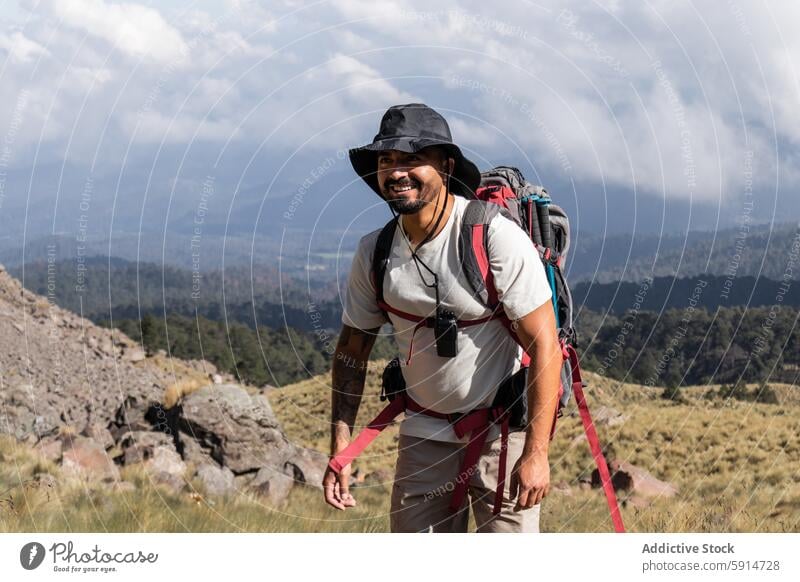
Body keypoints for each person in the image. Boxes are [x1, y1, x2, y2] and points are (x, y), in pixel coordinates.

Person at [322, 103, 563, 533]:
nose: (396, 172)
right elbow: (351, 352)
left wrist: (537, 453)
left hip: (501, 437)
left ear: (446, 166)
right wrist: (341, 446)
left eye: (413, 159)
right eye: (386, 161)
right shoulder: (374, 253)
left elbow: (545, 345)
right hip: (423, 437)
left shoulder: (491, 236)